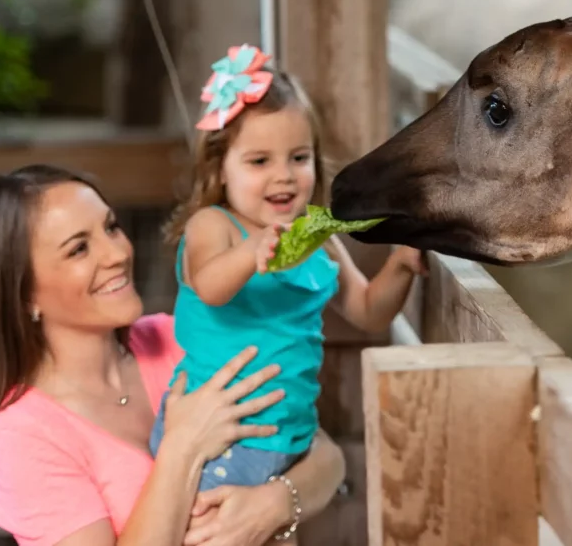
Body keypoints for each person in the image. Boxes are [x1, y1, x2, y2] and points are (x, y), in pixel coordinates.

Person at [0, 164, 346, 546]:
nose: (116, 253)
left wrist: (275, 503)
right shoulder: (21, 435)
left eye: (111, 227)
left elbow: (326, 456)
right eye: (79, 249)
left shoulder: (174, 339)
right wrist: (182, 447)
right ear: (25, 296)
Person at [150, 43, 424, 491]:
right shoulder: (213, 226)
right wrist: (249, 253)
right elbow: (209, 287)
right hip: (220, 441)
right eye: (259, 161)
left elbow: (369, 310)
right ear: (220, 170)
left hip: (292, 438)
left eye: (299, 158)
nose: (284, 176)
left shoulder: (318, 239)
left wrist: (400, 264)